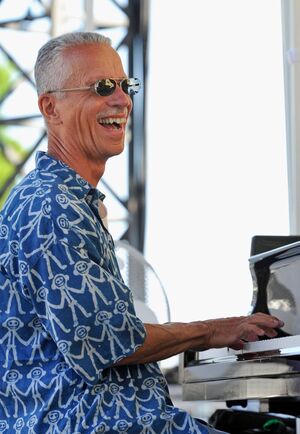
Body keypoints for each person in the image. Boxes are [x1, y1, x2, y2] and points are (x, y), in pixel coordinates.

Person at [0, 31, 284, 434]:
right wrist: (211, 331)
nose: (121, 99)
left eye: (124, 85)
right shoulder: (54, 205)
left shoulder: (55, 197)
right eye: (101, 87)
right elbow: (104, 340)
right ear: (51, 107)